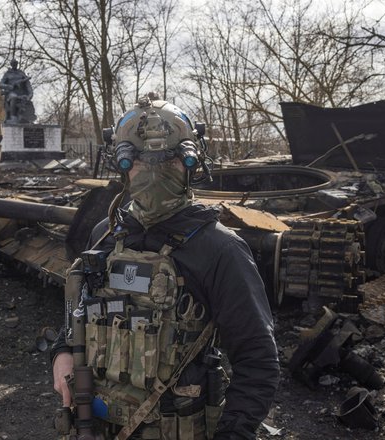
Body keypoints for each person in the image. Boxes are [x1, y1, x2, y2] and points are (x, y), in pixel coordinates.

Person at [51, 93, 279, 440]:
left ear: (190, 163)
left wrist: (233, 433)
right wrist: (62, 355)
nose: (153, 173)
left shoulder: (219, 248)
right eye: (139, 162)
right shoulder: (106, 235)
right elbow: (75, 315)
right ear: (122, 165)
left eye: (169, 160)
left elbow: (257, 359)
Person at [0, 59, 36, 123]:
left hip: (21, 93)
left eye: (16, 63)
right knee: (14, 97)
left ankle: (25, 117)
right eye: (13, 64)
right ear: (11, 65)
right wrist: (9, 86)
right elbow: (0, 84)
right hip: (11, 93)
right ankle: (13, 117)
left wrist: (30, 95)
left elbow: (28, 85)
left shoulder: (21, 73)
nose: (15, 65)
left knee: (23, 99)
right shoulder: (8, 74)